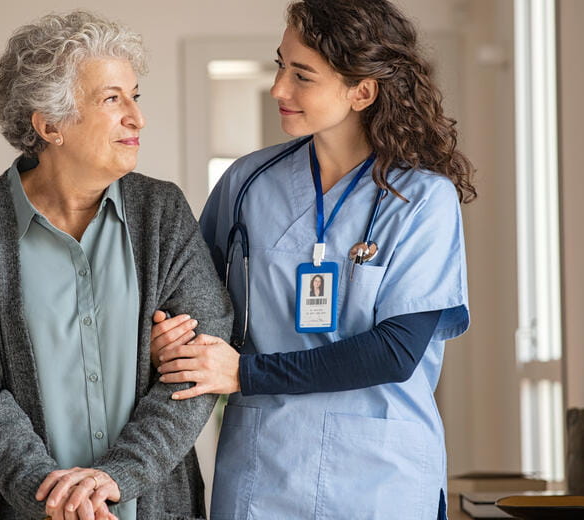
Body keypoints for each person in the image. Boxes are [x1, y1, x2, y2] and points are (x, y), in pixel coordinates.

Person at [150, 0, 474, 517]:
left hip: (380, 480)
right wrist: (168, 337)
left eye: (302, 75)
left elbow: (394, 352)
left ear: (361, 90)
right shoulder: (246, 184)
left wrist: (244, 374)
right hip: (264, 470)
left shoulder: (422, 200)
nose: (279, 88)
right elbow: (192, 299)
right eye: (281, 65)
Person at [0, 11, 231, 520]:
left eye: (135, 96)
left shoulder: (162, 212)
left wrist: (116, 476)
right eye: (112, 99)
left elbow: (200, 362)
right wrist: (53, 494)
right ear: (49, 125)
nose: (137, 117)